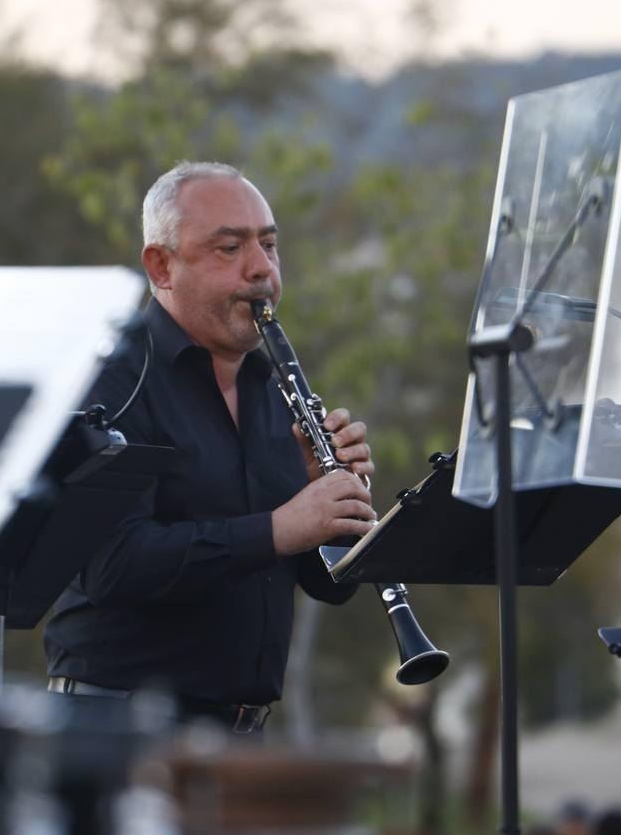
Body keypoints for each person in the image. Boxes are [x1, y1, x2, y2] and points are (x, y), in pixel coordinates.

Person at [43, 161, 378, 734]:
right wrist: (281, 526)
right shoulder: (110, 381)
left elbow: (324, 584)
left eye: (269, 246)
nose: (262, 270)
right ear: (162, 266)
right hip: (118, 727)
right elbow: (114, 565)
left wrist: (337, 511)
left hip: (240, 733)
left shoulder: (274, 389)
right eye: (230, 249)